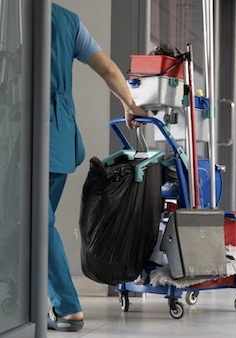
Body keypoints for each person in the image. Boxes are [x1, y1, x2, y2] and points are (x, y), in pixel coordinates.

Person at [47, 3, 147, 331]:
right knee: (32, 222)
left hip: (30, 137)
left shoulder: (15, 15)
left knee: (31, 222)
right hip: (58, 136)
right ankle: (43, 300)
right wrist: (129, 105)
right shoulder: (68, 21)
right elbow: (107, 68)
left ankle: (66, 307)